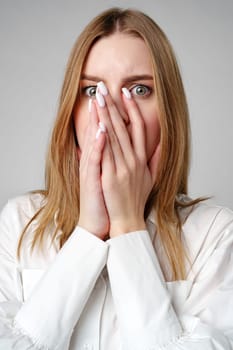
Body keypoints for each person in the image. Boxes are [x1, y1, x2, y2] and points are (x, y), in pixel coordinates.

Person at [0, 7, 232, 350]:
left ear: (169, 111)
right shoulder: (20, 223)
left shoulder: (216, 235)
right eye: (93, 91)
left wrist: (127, 226)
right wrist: (87, 233)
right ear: (71, 112)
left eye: (138, 90)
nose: (114, 114)